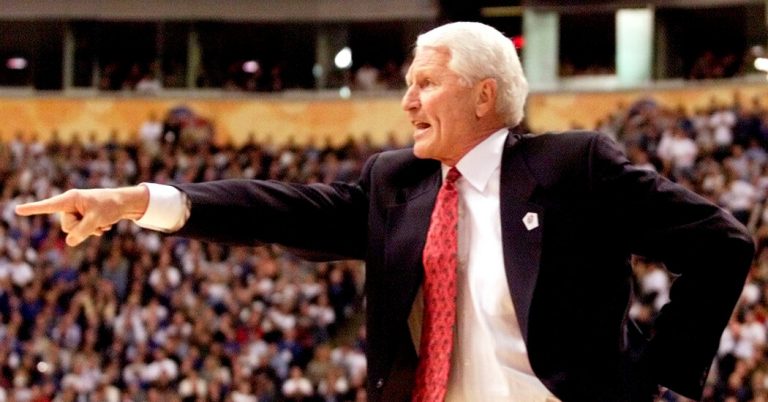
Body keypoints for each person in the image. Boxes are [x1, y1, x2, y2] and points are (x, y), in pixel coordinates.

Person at [15, 22, 753, 402]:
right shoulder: (397, 183)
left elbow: (721, 243)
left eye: (425, 83)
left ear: (484, 95)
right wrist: (140, 201)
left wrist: (657, 377)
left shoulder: (573, 167)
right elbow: (282, 210)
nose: (407, 102)